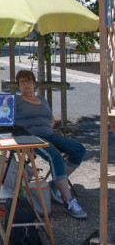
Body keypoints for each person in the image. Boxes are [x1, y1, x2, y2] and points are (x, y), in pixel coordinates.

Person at [14, 69, 87, 219]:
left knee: (79, 149)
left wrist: (52, 121)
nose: (26, 84)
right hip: (31, 137)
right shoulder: (15, 100)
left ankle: (55, 184)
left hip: (49, 134)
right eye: (22, 82)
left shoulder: (42, 100)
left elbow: (50, 117)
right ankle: (69, 202)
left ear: (34, 83)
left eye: (28, 81)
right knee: (55, 156)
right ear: (18, 86)